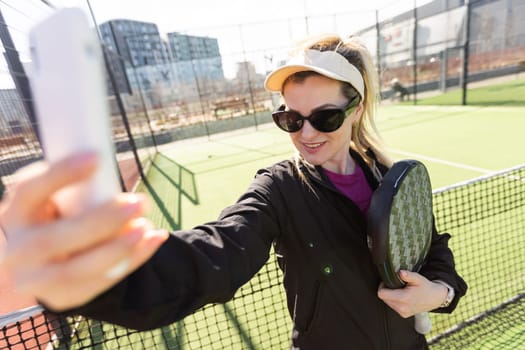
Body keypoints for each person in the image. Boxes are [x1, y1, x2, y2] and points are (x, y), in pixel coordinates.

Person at [0, 34, 467, 349]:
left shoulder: (391, 175)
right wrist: (106, 278)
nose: (305, 134)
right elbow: (217, 253)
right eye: (290, 119)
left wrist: (441, 292)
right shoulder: (280, 189)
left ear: (356, 107)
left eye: (324, 118)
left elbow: (431, 247)